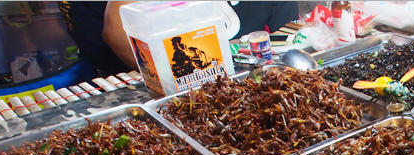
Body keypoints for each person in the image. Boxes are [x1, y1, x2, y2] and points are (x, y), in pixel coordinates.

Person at [102, 1, 300, 70]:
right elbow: (115, 31)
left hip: (249, 72)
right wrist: (172, 72)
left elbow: (291, 34)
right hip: (181, 79)